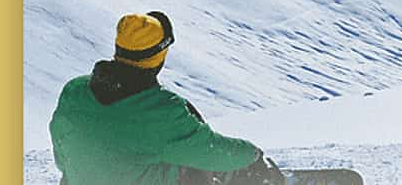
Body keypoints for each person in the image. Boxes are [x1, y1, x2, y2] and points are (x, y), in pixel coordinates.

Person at [49, 11, 283, 185]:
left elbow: (63, 160)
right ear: (159, 56)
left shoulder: (74, 92)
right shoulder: (162, 111)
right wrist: (252, 154)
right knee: (199, 166)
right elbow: (212, 151)